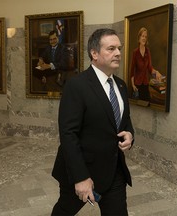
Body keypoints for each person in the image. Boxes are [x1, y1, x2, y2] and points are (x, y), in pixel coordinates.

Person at [51, 28, 134, 216]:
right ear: (94, 53)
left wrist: (130, 134)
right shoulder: (76, 85)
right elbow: (68, 134)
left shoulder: (120, 85)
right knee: (64, 211)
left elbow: (124, 121)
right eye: (111, 48)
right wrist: (81, 177)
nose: (118, 53)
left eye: (119, 48)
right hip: (82, 170)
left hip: (114, 171)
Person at [130, 27, 162, 101]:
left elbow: (150, 68)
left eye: (145, 36)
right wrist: (133, 85)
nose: (144, 38)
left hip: (145, 83)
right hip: (137, 85)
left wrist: (156, 72)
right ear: (139, 38)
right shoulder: (135, 52)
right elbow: (132, 70)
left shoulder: (148, 51)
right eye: (142, 36)